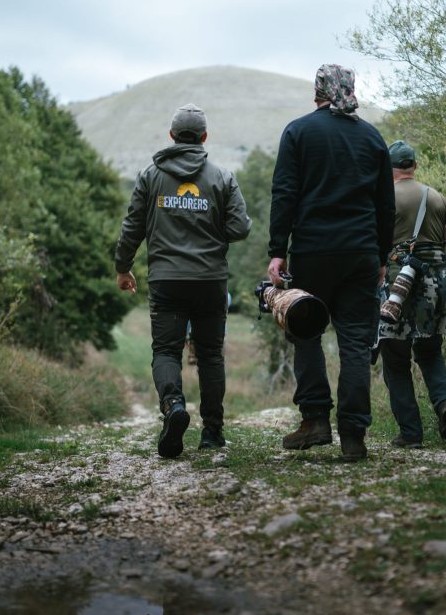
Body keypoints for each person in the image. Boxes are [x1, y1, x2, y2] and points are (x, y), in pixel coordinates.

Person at [267, 64, 395, 462]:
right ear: (350, 91)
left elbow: (284, 193)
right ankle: (353, 435)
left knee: (306, 332)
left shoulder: (299, 132)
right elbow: (385, 205)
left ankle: (315, 420)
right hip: (360, 253)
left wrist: (277, 249)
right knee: (355, 342)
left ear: (318, 92)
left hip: (313, 252)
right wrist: (381, 255)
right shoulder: (372, 137)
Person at [115, 103, 252, 458]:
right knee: (210, 355)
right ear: (204, 137)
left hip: (167, 280)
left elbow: (132, 227)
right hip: (210, 280)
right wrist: (211, 229)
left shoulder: (150, 176)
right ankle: (212, 433)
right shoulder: (222, 177)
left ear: (172, 135)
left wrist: (123, 267)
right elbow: (240, 227)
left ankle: (174, 405)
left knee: (166, 351)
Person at [375, 140, 446, 448]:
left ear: (388, 169)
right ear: (414, 166)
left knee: (394, 357)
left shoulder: (384, 199)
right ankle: (445, 403)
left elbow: (375, 244)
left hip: (396, 285)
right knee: (429, 350)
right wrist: (440, 270)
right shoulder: (436, 197)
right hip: (434, 283)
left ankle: (411, 433)